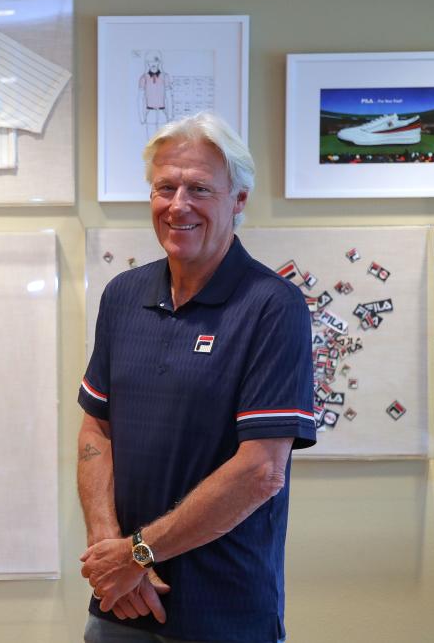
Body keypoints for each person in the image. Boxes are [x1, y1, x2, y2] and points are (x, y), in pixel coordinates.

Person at [77, 112, 316, 642]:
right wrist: (108, 550)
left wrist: (138, 552)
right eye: (166, 187)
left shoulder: (273, 308)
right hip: (120, 606)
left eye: (200, 188)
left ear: (239, 199)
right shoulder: (123, 296)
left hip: (224, 614)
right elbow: (97, 430)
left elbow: (261, 472)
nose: (178, 204)